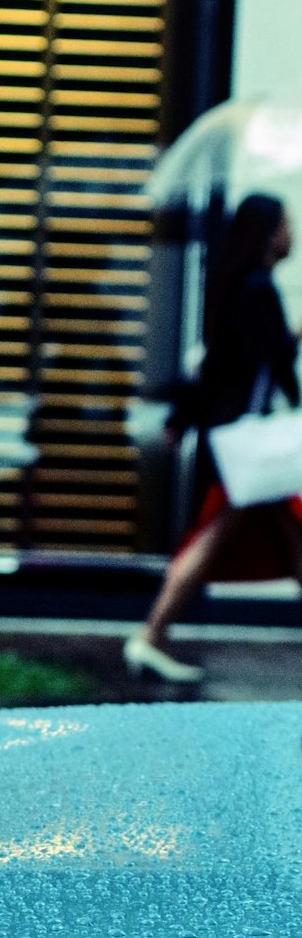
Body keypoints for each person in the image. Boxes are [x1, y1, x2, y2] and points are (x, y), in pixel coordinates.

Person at [127, 192, 302, 684]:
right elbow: (255, 360)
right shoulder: (255, 288)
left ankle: (151, 637)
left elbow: (225, 363)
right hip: (247, 444)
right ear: (267, 234)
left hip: (237, 438)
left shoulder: (241, 285)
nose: (291, 235)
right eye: (286, 225)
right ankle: (150, 635)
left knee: (289, 537)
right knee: (212, 538)